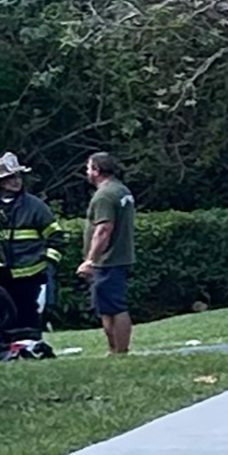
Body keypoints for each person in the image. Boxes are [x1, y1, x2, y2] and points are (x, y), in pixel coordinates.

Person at [0, 152, 58, 338]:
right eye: (10, 178)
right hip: (1, 273)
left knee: (29, 315)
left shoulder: (35, 206)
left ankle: (31, 345)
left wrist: (48, 262)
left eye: (17, 177)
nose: (15, 181)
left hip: (31, 273)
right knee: (5, 315)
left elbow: (56, 236)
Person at [77, 152, 135, 355]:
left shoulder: (104, 196)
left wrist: (90, 260)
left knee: (114, 306)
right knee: (106, 306)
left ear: (96, 171)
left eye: (88, 168)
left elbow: (103, 230)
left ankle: (120, 351)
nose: (86, 172)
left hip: (108, 260)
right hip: (119, 258)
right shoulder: (121, 190)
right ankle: (114, 351)